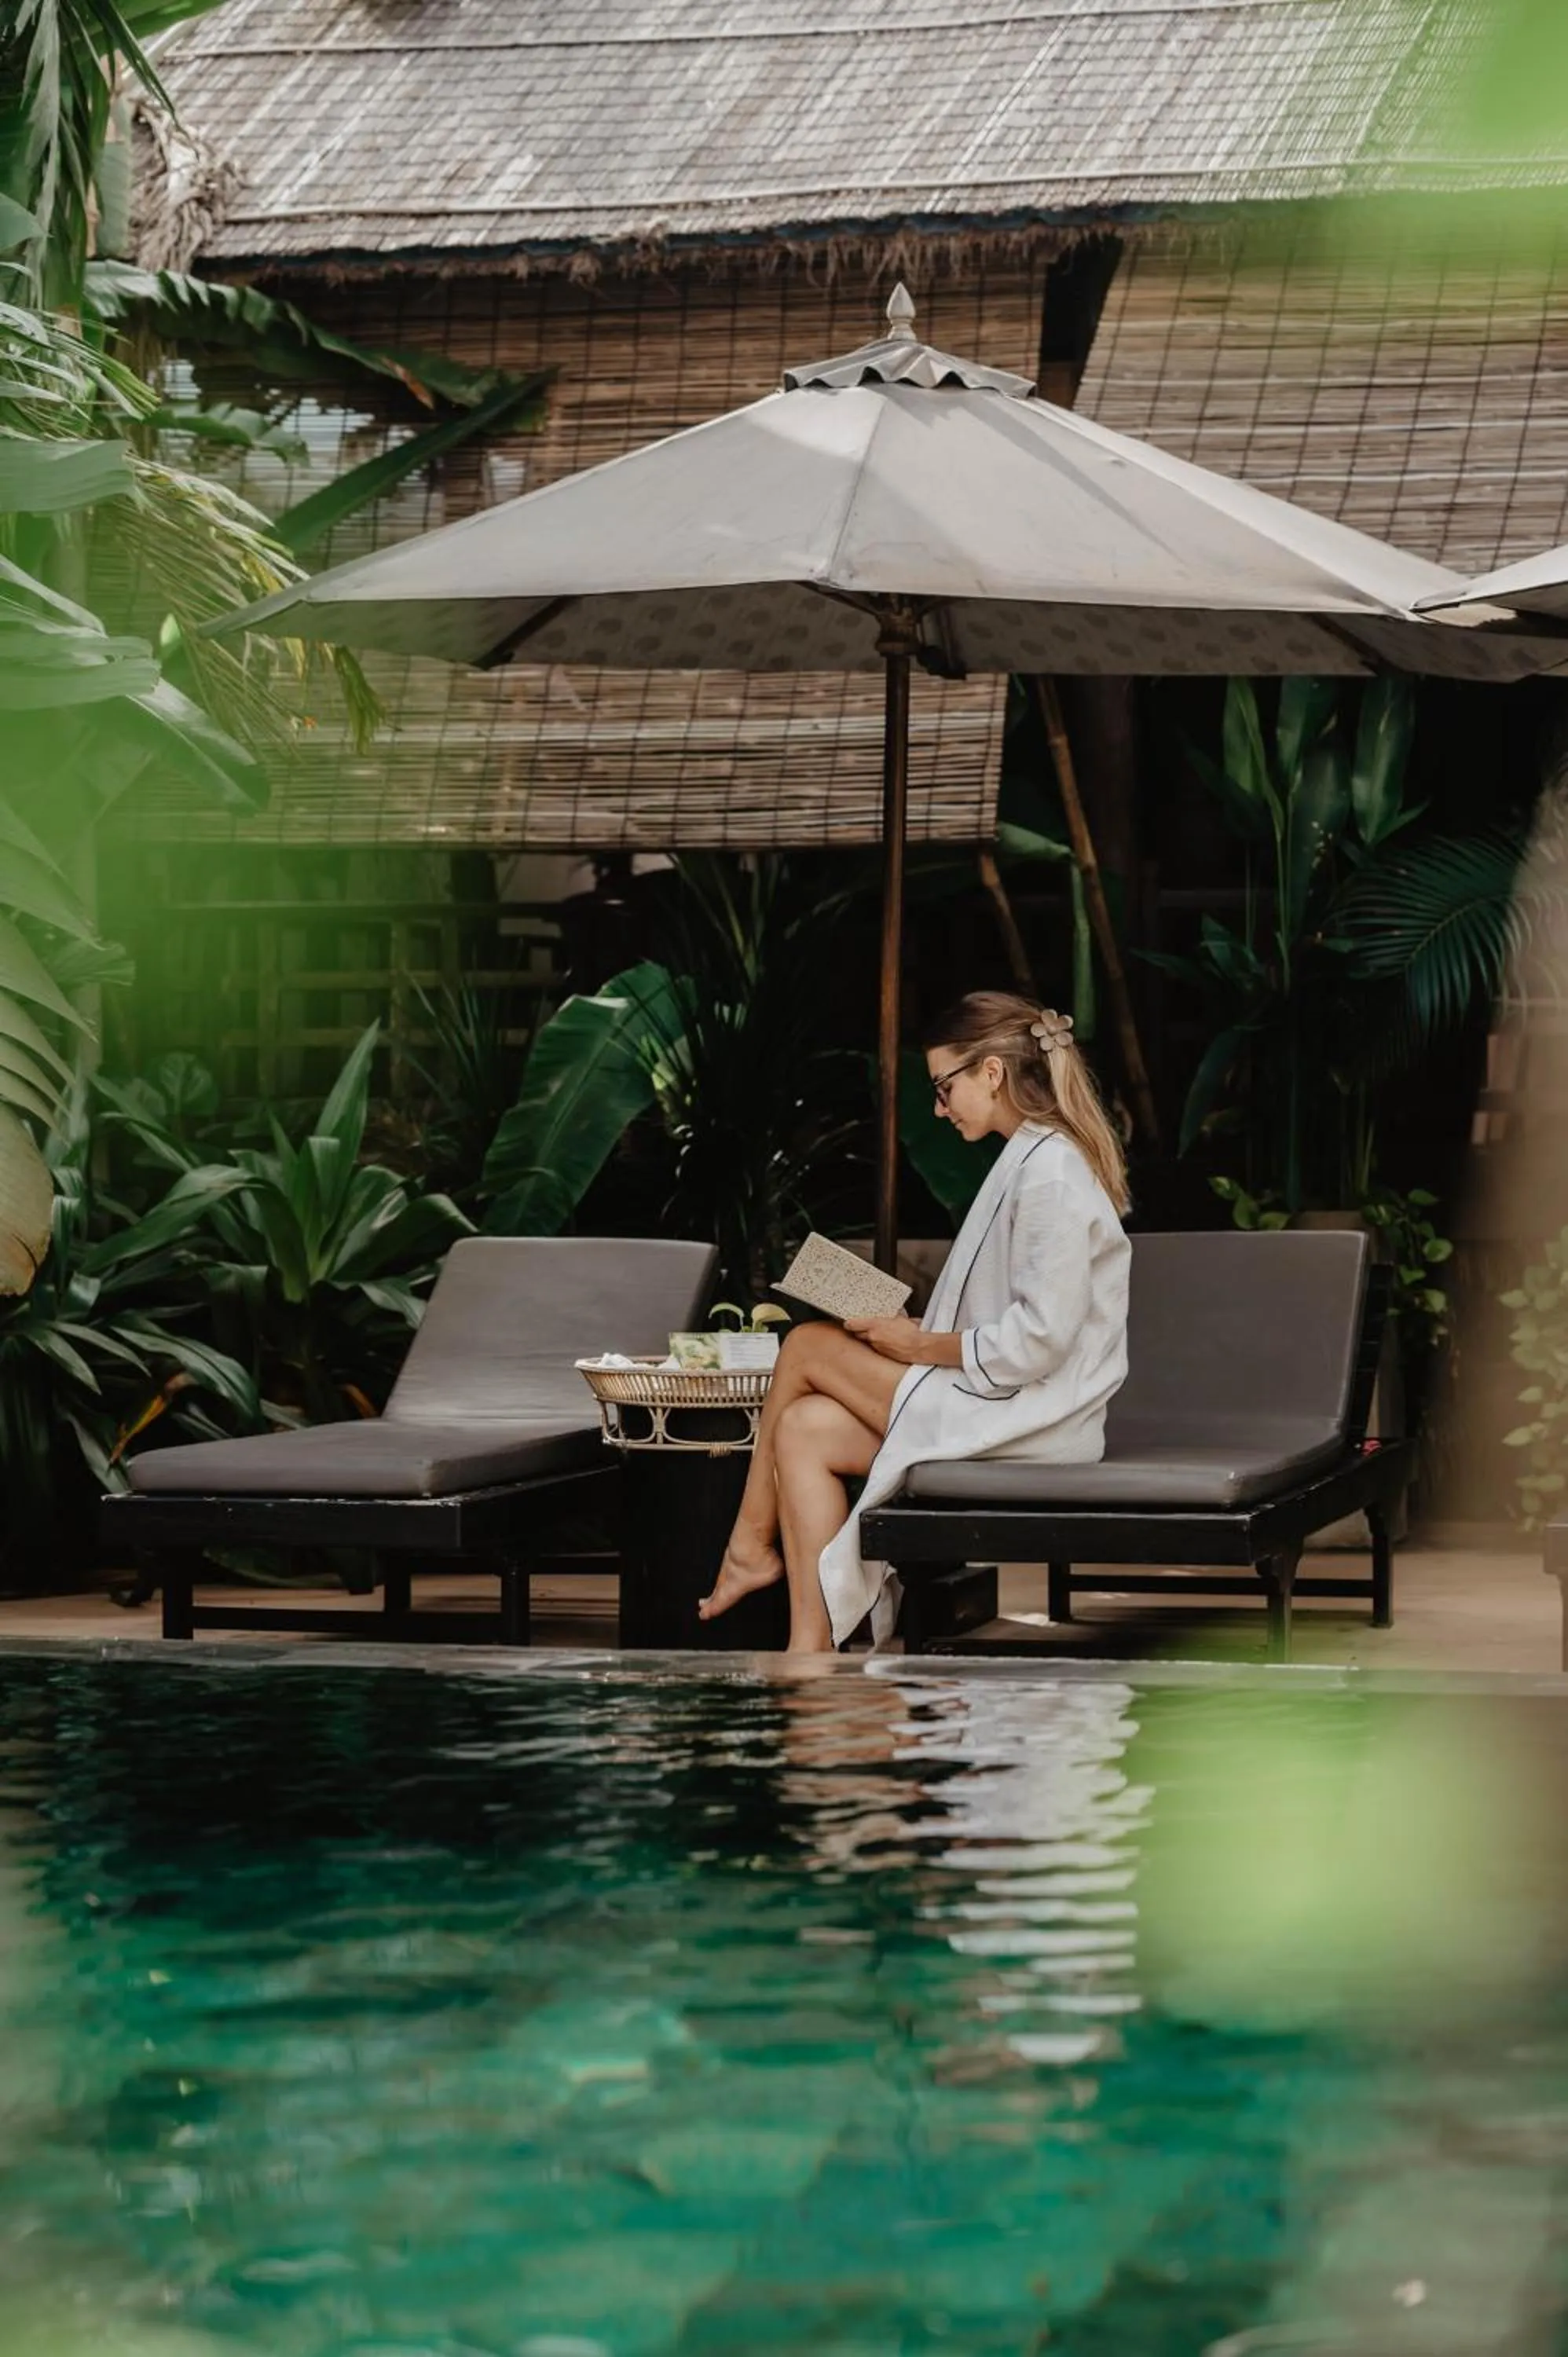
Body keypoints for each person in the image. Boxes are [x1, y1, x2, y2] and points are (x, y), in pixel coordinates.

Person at [698, 991, 1132, 1654]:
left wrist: (918, 1343)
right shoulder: (1030, 1159)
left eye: (943, 1087)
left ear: (992, 1072)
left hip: (1037, 1419)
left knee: (807, 1346)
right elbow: (1020, 1317)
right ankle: (810, 1650)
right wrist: (913, 1329)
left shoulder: (1051, 1174)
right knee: (803, 1428)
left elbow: (1040, 1341)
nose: (938, 1107)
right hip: (1006, 1401)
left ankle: (748, 1545)